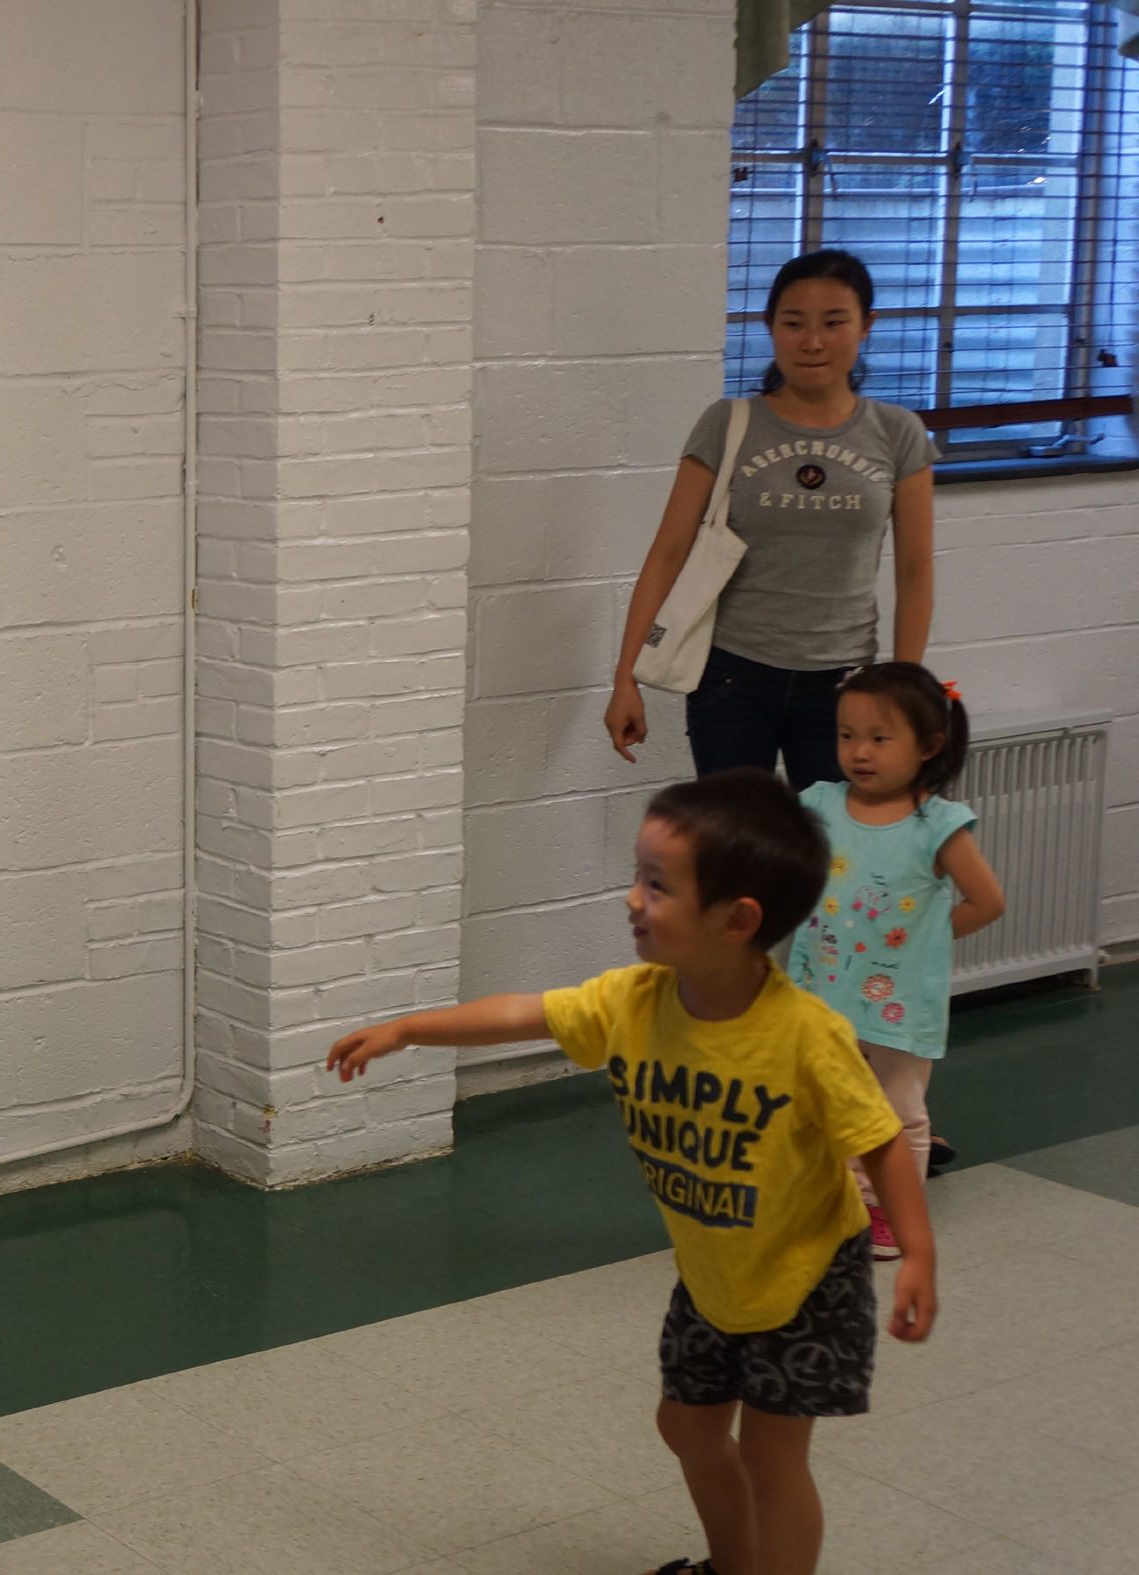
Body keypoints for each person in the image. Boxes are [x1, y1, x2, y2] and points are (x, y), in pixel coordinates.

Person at [327, 769, 937, 1575]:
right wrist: (408, 1028)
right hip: (714, 1271)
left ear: (736, 919)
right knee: (686, 1427)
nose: (631, 899)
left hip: (809, 1275)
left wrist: (918, 1252)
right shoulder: (636, 1000)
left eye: (657, 884)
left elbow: (880, 1138)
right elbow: (524, 1011)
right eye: (637, 876)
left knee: (772, 1454)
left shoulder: (805, 1035)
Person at [604, 250, 940, 790]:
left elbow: (916, 572)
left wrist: (905, 687)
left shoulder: (898, 432)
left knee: (835, 840)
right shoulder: (728, 423)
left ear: (866, 327)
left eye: (834, 323)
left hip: (845, 684)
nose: (813, 342)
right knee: (737, 838)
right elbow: (666, 554)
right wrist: (626, 679)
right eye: (794, 323)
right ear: (771, 327)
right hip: (731, 679)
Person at [791, 663, 1004, 1254]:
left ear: (928, 746)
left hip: (895, 1005)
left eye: (880, 738)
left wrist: (921, 944)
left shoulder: (938, 825)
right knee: (826, 1102)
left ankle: (888, 1211)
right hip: (822, 994)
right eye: (847, 735)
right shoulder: (819, 805)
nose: (860, 752)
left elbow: (987, 902)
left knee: (897, 1112)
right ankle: (838, 1201)